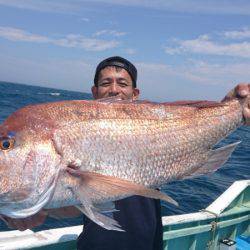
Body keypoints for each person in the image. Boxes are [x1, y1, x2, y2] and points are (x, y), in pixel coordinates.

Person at [1, 56, 250, 249]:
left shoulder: (152, 126)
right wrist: (39, 210)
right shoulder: (68, 140)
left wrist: (233, 108)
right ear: (94, 92)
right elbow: (77, 201)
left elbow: (193, 126)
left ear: (135, 94)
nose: (114, 89)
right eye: (105, 83)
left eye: (122, 83)